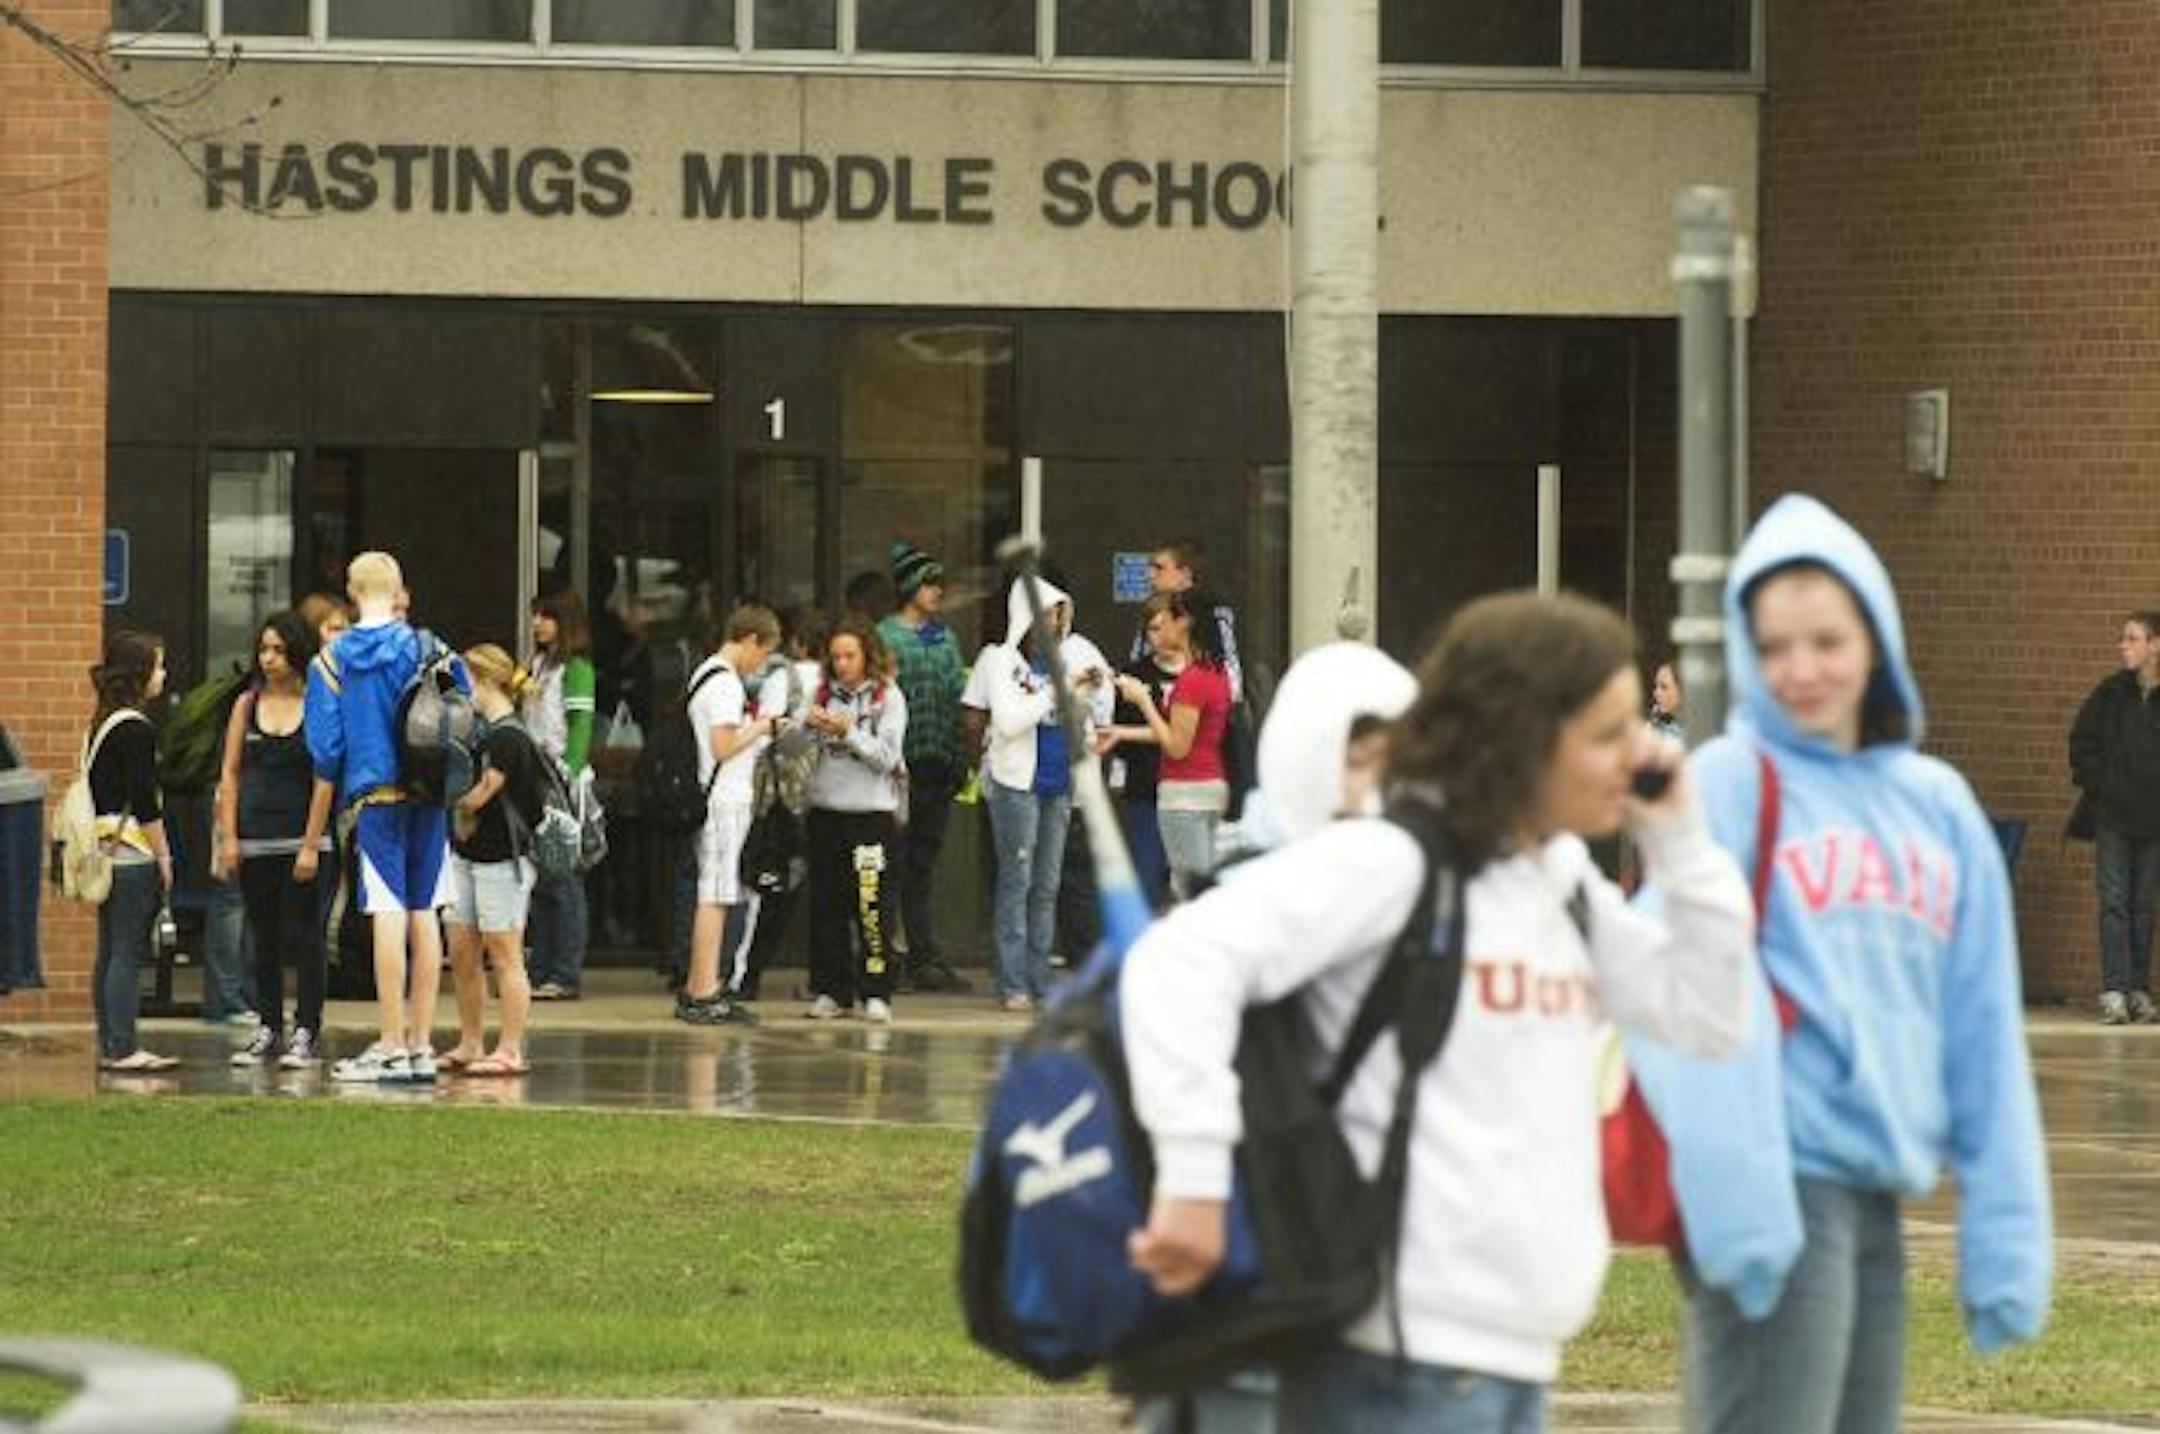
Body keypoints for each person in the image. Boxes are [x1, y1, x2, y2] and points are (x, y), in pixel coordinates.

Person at [1120, 591, 1755, 1433]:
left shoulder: (1563, 884)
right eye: (1607, 733)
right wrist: (1193, 1181)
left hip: (1516, 1358)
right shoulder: (1390, 862)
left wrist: (1683, 845)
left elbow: (1710, 1015)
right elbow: (1179, 960)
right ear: (1519, 736)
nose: (1636, 757)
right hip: (1393, 1360)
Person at [1636, 495, 2051, 1434]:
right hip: (1771, 1200)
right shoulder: (1731, 784)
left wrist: (2007, 1233)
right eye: (1774, 647)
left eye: (1827, 641)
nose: (1802, 670)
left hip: (1874, 1197)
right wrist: (1735, 1196)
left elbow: (1984, 1027)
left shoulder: (1936, 806)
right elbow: (1663, 980)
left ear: (1875, 634)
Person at [306, 551, 459, 1083]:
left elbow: (325, 749)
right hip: (431, 793)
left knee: (386, 910)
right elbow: (462, 709)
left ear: (351, 592)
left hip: (374, 795)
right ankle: (420, 1043)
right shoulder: (428, 646)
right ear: (397, 592)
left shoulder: (331, 661)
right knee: (426, 910)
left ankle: (390, 1042)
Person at [974, 575, 1112, 1011]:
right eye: (1045, 613)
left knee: (1048, 885)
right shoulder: (1002, 661)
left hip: (1059, 783)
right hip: (1017, 784)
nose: (1053, 622)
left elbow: (1076, 723)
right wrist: (1059, 690)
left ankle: (1041, 979)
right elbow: (1011, 721)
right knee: (1018, 882)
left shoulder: (1066, 663)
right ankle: (1013, 980)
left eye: (1058, 613)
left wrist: (1085, 698)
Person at [215, 610, 333, 1070]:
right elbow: (229, 772)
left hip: (304, 841)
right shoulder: (246, 705)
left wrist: (310, 842)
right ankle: (269, 1024)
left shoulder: (319, 701)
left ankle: (307, 1027)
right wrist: (229, 836)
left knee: (306, 938)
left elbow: (326, 776)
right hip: (255, 838)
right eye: (263, 649)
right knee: (261, 937)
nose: (269, 659)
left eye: (279, 650)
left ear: (297, 652)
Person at [789, 618, 908, 1024]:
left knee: (872, 906)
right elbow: (789, 748)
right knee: (827, 906)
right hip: (825, 812)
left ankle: (876, 990)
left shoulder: (887, 698)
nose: (842, 664)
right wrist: (805, 725)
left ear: (866, 656)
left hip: (870, 816)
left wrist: (850, 732)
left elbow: (888, 758)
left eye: (850, 656)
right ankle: (830, 989)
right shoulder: (819, 693)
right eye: (836, 656)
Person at [677, 603, 785, 1026]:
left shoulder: (703, 674)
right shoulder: (724, 685)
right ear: (751, 640)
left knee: (715, 890)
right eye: (763, 652)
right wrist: (763, 727)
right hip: (725, 796)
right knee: (717, 893)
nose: (761, 663)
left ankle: (700, 984)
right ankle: (702, 989)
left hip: (715, 793)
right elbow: (723, 746)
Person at [438, 645, 542, 1078]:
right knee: (462, 952)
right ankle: (470, 1040)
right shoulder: (483, 732)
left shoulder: (508, 737)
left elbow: (480, 794)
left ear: (484, 682)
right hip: (468, 856)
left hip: (504, 861)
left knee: (505, 953)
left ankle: (511, 1048)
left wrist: (439, 798)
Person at [877, 540, 973, 993]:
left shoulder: (946, 637)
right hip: (899, 767)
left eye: (940, 584)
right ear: (909, 588)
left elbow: (959, 696)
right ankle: (886, 953)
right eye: (928, 583)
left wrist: (960, 758)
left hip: (939, 764)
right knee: (892, 864)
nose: (937, 591)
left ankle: (922, 953)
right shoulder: (884, 636)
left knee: (922, 865)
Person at [85, 630, 181, 1073]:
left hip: (104, 848)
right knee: (127, 951)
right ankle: (124, 1047)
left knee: (109, 952)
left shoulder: (100, 724)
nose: (163, 674)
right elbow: (145, 800)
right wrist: (164, 855)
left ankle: (110, 1042)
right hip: (133, 851)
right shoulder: (136, 730)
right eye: (158, 666)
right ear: (140, 674)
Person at [1101, 592, 1234, 899]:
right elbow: (1183, 734)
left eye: (1169, 621)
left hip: (1184, 790)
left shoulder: (1191, 679)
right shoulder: (1216, 672)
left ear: (1184, 623)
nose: (1160, 632)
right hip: (1210, 785)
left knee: (1190, 891)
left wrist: (1144, 700)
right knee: (1198, 883)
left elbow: (1176, 746)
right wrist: (1122, 732)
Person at [2068, 610, 2160, 1024]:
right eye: (2123, 639)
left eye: (2132, 638)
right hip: (2113, 817)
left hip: (2154, 819)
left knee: (2143, 905)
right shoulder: (2109, 693)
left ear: (2155, 645)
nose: (2122, 645)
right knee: (2114, 904)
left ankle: (2139, 989)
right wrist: (2099, 786)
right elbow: (2082, 742)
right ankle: (2114, 991)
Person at [523, 589, 597, 1002]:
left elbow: (580, 725)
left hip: (559, 780)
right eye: (536, 616)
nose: (538, 624)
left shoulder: (577, 668)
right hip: (535, 775)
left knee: (563, 876)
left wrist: (566, 775)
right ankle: (540, 967)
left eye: (547, 617)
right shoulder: (538, 664)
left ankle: (565, 971)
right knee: (542, 879)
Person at [1132, 537, 1242, 703]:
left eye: (1159, 568)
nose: (1150, 575)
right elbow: (1138, 662)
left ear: (1184, 574)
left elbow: (1231, 675)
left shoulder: (1213, 613)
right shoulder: (1151, 611)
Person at [1649, 657, 1687, 745]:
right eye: (1656, 686)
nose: (1656, 693)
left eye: (1664, 687)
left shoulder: (1701, 729)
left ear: (1684, 690)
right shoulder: (1657, 726)